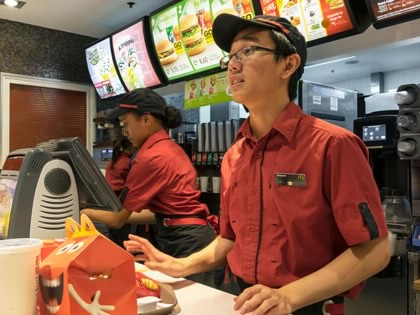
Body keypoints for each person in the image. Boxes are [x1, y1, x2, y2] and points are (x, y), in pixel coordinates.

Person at [122, 14, 390, 315]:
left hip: (307, 305)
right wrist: (180, 264)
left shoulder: (332, 145)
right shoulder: (235, 155)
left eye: (248, 51)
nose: (233, 65)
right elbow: (229, 239)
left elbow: (375, 250)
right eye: (231, 57)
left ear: (287, 65)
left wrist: (288, 296)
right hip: (242, 301)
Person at [81, 88, 216, 287]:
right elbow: (158, 213)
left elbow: (118, 220)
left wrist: (82, 211)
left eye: (126, 124)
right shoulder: (167, 148)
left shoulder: (151, 157)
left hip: (186, 241)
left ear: (146, 120)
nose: (124, 132)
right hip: (189, 235)